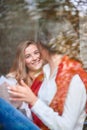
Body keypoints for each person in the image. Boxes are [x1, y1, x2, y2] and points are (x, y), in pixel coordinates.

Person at [0, 31, 87, 130]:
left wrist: (33, 100)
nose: (35, 58)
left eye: (36, 52)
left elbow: (65, 125)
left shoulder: (69, 78)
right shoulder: (43, 76)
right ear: (22, 61)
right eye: (28, 56)